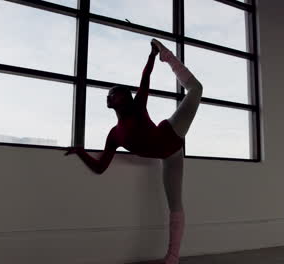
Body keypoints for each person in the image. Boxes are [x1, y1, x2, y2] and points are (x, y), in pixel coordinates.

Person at [64, 38, 203, 264]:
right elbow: (100, 168)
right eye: (109, 95)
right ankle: (173, 257)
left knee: (196, 89)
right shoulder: (114, 135)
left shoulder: (138, 106)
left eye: (114, 94)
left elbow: (145, 78)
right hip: (170, 156)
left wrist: (153, 56)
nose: (110, 97)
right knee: (175, 205)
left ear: (125, 98)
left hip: (171, 133)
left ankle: (168, 56)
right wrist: (80, 151)